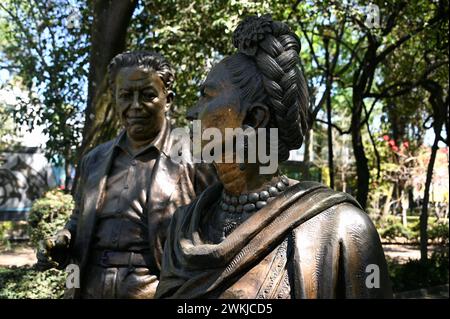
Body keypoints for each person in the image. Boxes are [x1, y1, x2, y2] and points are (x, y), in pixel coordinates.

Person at [155, 15, 392, 299]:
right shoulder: (185, 225)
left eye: (206, 96)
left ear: (254, 119)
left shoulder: (343, 229)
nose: (191, 113)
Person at [36, 51, 216, 298]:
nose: (135, 106)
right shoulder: (94, 160)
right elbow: (78, 221)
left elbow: (218, 226)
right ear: (115, 100)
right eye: (125, 96)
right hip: (89, 286)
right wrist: (63, 240)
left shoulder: (195, 156)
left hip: (156, 288)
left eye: (147, 95)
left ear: (168, 99)